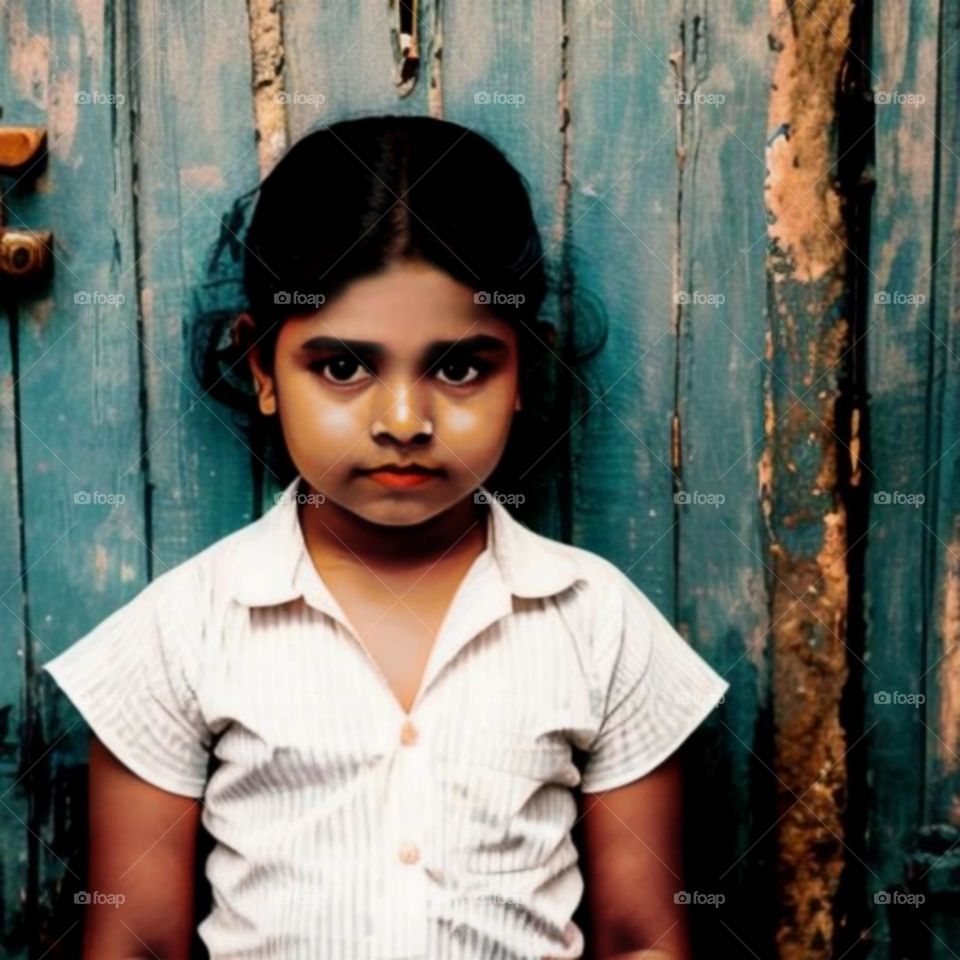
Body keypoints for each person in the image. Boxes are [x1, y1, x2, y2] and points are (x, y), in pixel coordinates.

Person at [42, 115, 729, 960]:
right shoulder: (181, 632)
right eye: (341, 367)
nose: (404, 421)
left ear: (523, 369)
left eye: (461, 367)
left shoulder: (598, 622)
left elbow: (642, 940)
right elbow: (137, 942)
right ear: (261, 367)